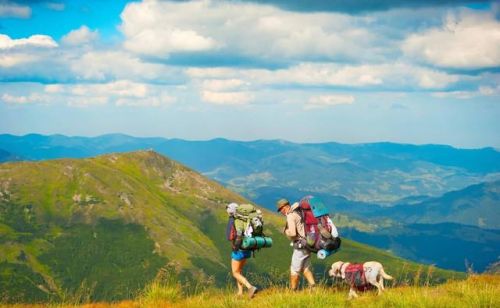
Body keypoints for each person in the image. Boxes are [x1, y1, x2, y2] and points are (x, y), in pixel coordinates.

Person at [277, 198, 316, 290]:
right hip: (308, 243)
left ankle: (293, 291)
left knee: (294, 270)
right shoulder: (298, 212)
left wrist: (285, 231)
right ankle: (314, 287)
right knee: (305, 268)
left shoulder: (290, 215)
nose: (281, 211)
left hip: (300, 246)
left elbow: (293, 233)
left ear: (286, 206)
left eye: (281, 209)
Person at [226, 202, 258, 298]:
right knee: (239, 271)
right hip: (247, 247)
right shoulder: (244, 219)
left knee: (235, 273)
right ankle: (240, 293)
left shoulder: (232, 220)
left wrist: (234, 244)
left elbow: (229, 237)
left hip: (238, 249)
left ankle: (250, 287)